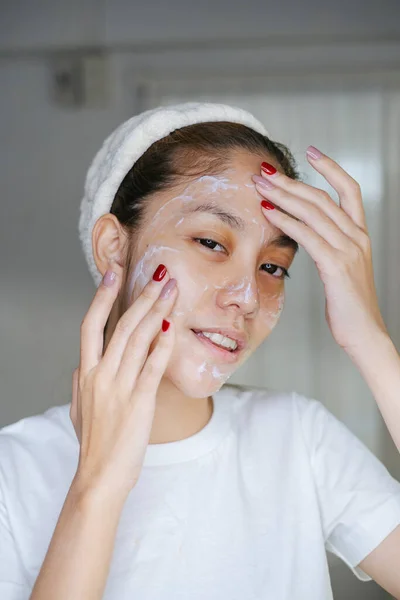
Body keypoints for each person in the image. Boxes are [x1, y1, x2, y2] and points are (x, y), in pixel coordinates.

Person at [1, 102, 400, 600]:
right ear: (113, 249)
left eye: (273, 267)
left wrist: (370, 338)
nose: (248, 297)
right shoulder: (11, 473)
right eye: (211, 242)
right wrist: (96, 488)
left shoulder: (300, 439)